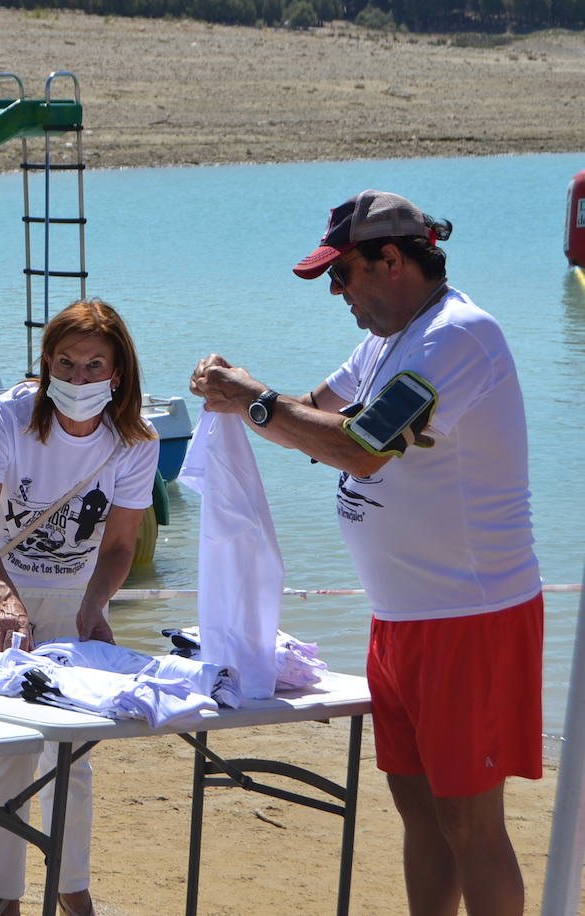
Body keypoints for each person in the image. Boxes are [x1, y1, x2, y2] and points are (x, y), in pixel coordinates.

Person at [190, 189, 542, 916]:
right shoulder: (386, 338)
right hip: (400, 617)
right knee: (420, 813)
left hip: (468, 616)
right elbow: (317, 414)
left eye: (341, 275)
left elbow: (360, 449)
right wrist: (238, 398)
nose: (337, 294)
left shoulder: (458, 335)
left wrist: (254, 400)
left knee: (472, 825)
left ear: (391, 260)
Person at [0, 299, 159, 916]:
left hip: (72, 598)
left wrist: (95, 608)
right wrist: (3, 598)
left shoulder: (134, 439)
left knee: (73, 753)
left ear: (118, 372)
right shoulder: (7, 416)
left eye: (94, 365)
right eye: (66, 364)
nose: (78, 379)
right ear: (47, 363)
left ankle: (73, 886)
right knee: (9, 754)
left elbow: (122, 543)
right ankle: (4, 896)